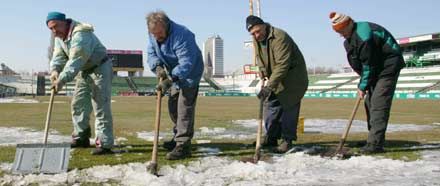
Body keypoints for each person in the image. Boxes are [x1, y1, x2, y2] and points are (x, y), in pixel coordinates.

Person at [329, 12, 405, 154]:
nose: (341, 34)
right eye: (338, 32)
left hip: (387, 67)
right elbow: (361, 64)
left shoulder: (364, 36)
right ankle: (373, 138)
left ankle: (375, 144)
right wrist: (365, 83)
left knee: (378, 104)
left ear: (349, 24)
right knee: (369, 103)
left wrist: (363, 86)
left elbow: (368, 64)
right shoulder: (349, 40)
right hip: (375, 69)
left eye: (342, 31)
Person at [46, 12, 114, 155]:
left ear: (64, 22)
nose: (54, 31)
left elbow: (75, 61)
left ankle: (104, 143)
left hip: (100, 68)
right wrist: (54, 71)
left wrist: (62, 80)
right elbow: (59, 56)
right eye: (50, 29)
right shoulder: (60, 37)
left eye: (55, 27)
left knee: (100, 105)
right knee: (78, 103)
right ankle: (81, 137)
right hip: (85, 71)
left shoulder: (81, 34)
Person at [246, 15, 308, 153]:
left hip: (293, 78)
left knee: (289, 107)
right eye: (253, 33)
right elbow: (260, 59)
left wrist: (269, 87)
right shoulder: (257, 40)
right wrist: (262, 73)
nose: (256, 35)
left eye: (258, 31)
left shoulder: (280, 37)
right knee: (270, 104)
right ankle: (271, 137)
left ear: (264, 26)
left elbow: (282, 65)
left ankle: (287, 140)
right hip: (276, 78)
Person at [146, 11, 204, 160]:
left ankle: (183, 144)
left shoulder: (182, 34)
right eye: (154, 34)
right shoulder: (153, 34)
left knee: (184, 108)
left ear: (166, 26)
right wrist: (158, 68)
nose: (157, 37)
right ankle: (178, 136)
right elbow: (151, 52)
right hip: (173, 72)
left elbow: (186, 62)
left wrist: (170, 79)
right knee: (173, 108)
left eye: (159, 34)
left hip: (190, 73)